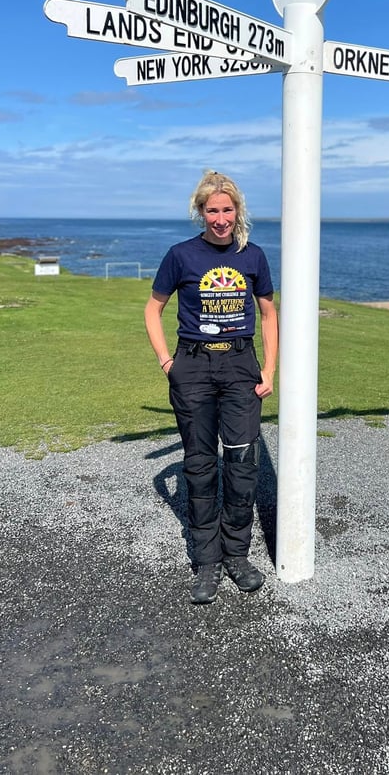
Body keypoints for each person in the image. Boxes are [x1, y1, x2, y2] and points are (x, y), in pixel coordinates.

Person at [144, 171, 278, 605]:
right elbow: (153, 309)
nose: (220, 218)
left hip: (240, 365)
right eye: (212, 210)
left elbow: (270, 315)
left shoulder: (253, 256)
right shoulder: (181, 255)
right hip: (194, 366)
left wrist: (269, 370)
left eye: (227, 209)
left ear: (237, 211)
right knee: (199, 466)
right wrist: (168, 361)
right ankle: (206, 561)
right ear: (200, 212)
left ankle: (236, 555)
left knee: (241, 465)